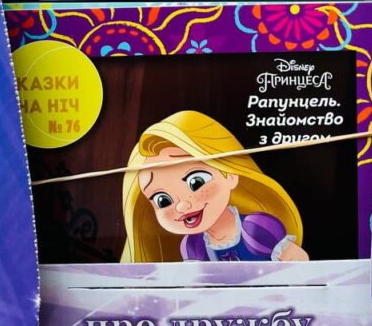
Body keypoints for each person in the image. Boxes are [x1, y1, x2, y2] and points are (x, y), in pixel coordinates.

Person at [121, 110, 309, 264]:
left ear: (230, 175)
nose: (182, 206)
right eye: (162, 200)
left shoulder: (256, 227)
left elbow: (300, 265)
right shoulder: (192, 246)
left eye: (196, 182)